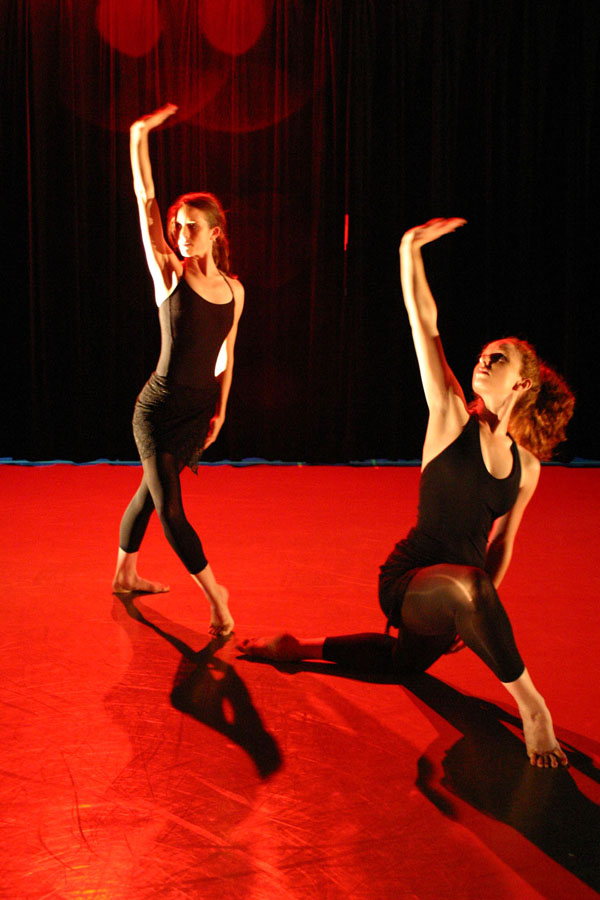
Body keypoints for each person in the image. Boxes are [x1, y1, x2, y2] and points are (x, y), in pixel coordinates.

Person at [238, 218, 575, 768]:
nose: (483, 359)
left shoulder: (527, 468)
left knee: (402, 663)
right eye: (483, 353)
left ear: (522, 383)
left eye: (499, 358)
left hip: (459, 598)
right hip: (409, 582)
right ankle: (533, 708)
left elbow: (501, 544)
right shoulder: (449, 415)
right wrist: (408, 249)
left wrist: (478, 610)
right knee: (470, 586)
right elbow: (425, 323)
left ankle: (297, 646)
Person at [112, 103, 244, 637]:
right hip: (158, 408)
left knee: (149, 493)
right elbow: (146, 201)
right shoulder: (169, 273)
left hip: (195, 412)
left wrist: (221, 411)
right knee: (170, 510)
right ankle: (217, 597)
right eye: (178, 226)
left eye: (193, 227)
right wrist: (138, 135)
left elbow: (226, 353)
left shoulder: (235, 290)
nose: (182, 232)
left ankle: (124, 574)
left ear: (216, 233)